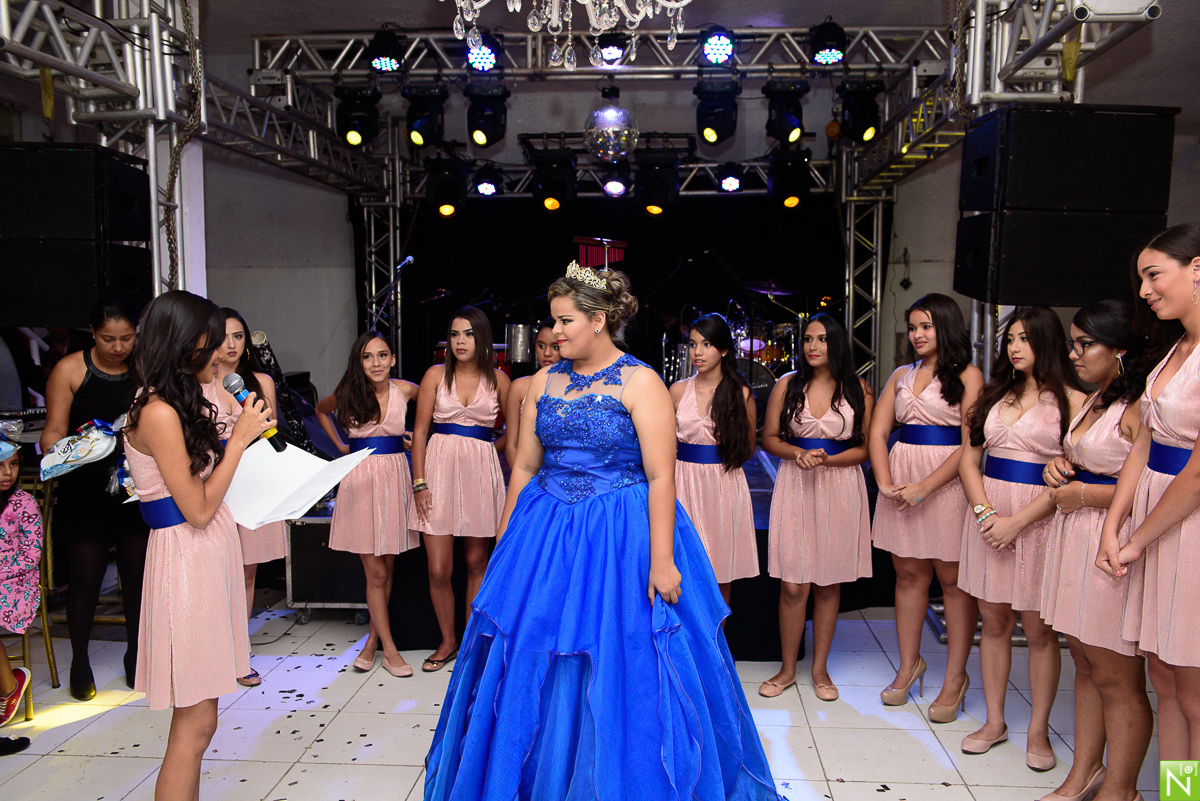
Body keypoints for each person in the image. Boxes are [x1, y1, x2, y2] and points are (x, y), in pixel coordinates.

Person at [423, 262, 783, 800]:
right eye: (553, 322)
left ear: (598, 320)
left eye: (564, 322)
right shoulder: (543, 381)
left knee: (618, 653)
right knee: (535, 649)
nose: (554, 333)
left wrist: (662, 560)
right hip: (545, 529)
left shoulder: (642, 382)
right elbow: (523, 465)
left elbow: (662, 475)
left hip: (620, 531)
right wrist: (505, 542)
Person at [121, 290, 274, 801]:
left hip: (205, 552)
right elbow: (199, 508)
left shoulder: (181, 400)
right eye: (206, 342)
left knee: (202, 722)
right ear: (180, 342)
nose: (216, 353)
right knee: (192, 727)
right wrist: (236, 443)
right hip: (185, 558)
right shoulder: (157, 412)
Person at [957, 306, 1082, 770]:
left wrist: (1017, 523)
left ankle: (1038, 729)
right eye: (1010, 338)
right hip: (989, 519)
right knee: (992, 623)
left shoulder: (1071, 400)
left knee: (1039, 630)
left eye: (1025, 338)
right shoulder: (991, 396)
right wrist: (987, 513)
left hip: (1040, 519)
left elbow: (1070, 476)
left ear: (1047, 342)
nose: (1014, 347)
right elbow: (970, 460)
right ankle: (994, 721)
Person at [1038, 301, 1150, 801]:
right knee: (1087, 663)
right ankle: (1085, 772)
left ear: (1122, 350)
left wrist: (1083, 494)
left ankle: (1124, 788)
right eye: (1073, 343)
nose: (1074, 353)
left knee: (1127, 679)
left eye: (1086, 344)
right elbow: (1085, 460)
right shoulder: (1096, 399)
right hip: (1078, 535)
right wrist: (1059, 470)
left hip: (1113, 541)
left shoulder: (1140, 407)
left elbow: (1154, 485)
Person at [1099, 223, 1200, 766]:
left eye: (1153, 275)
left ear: (1198, 269)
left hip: (1189, 528)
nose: (1144, 290)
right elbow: (1145, 444)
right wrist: (1113, 525)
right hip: (1155, 525)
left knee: (1194, 692)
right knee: (1165, 681)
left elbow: (1198, 474)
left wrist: (1135, 540)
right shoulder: (1175, 347)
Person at [869, 294, 982, 718]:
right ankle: (908, 665)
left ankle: (955, 678)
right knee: (908, 574)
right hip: (901, 483)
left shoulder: (970, 376)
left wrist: (926, 487)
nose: (916, 335)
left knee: (951, 580)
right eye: (913, 327)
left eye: (926, 327)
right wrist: (884, 482)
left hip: (949, 483)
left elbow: (973, 444)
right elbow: (878, 433)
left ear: (946, 327)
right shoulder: (900, 373)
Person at [760, 313, 874, 701]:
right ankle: (787, 669)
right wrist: (797, 454)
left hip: (840, 486)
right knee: (794, 584)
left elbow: (864, 448)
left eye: (822, 339)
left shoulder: (859, 388)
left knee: (828, 582)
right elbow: (768, 439)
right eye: (808, 339)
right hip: (796, 483)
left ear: (837, 343)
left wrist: (827, 461)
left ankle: (820, 670)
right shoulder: (787, 385)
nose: (812, 346)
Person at [39, 298, 148, 700]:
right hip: (84, 486)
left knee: (137, 577)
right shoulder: (69, 370)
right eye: (108, 339)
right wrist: (81, 446)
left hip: (135, 485)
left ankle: (137, 656)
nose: (118, 347)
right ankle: (80, 662)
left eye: (126, 338)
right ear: (91, 331)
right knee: (85, 579)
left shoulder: (144, 370)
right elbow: (50, 435)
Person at [316, 332, 421, 678]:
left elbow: (433, 412)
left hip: (394, 477)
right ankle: (390, 652)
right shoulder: (348, 393)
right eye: (367, 357)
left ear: (392, 359)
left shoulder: (406, 390)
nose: (375, 363)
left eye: (382, 355)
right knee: (375, 572)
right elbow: (320, 410)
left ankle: (372, 643)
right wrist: (342, 448)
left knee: (386, 571)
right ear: (358, 362)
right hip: (361, 479)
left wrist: (417, 439)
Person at [410, 306, 509, 673]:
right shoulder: (435, 375)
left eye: (468, 334)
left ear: (481, 338)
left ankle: (468, 643)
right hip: (436, 473)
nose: (460, 341)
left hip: (480, 475)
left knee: (475, 562)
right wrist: (419, 482)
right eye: (454, 334)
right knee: (438, 569)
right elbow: (420, 432)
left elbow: (510, 437)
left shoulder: (499, 380)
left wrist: (484, 453)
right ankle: (447, 640)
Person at [207, 308, 289, 688]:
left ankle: (240, 651)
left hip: (251, 475)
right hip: (213, 480)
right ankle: (212, 646)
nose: (231, 345)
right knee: (213, 568)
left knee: (247, 568)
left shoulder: (259, 380)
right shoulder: (200, 381)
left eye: (238, 336)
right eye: (224, 337)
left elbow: (270, 428)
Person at [670, 312, 757, 605]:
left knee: (720, 572)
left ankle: (715, 646)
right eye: (693, 344)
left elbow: (747, 448)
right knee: (680, 567)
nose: (697, 352)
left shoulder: (740, 393)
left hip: (723, 485)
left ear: (723, 349)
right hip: (682, 482)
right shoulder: (677, 391)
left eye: (706, 344)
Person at [0, 435, 39, 728]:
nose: (7, 473)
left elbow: (31, 554)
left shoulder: (23, 503)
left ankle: (8, 689)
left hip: (16, 584)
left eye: (12, 464)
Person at [503, 317, 560, 468]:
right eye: (541, 345)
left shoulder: (574, 387)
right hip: (526, 474)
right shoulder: (519, 387)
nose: (547, 353)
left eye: (555, 347)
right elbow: (511, 446)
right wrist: (525, 486)